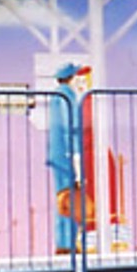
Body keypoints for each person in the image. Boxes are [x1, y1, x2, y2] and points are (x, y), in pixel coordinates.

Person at [46, 62, 90, 253]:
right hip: (67, 153)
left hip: (58, 153)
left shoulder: (56, 95)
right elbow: (69, 125)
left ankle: (65, 241)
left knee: (63, 199)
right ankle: (68, 243)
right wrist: (76, 154)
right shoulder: (67, 96)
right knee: (70, 199)